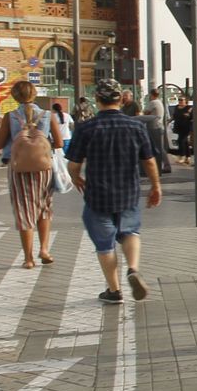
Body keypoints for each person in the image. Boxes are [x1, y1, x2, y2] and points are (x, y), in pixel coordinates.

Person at [66, 78, 160, 304]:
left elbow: (74, 163)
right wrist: (156, 186)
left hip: (97, 195)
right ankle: (133, 269)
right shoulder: (136, 126)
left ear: (97, 100)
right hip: (128, 192)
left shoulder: (86, 127)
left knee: (104, 244)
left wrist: (75, 177)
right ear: (120, 99)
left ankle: (114, 290)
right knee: (130, 232)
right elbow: (149, 161)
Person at [0, 79, 63, 269]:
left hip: (18, 170)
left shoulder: (11, 116)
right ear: (34, 94)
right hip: (44, 169)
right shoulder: (48, 115)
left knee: (25, 211)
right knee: (44, 208)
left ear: (15, 96)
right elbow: (59, 142)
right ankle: (45, 249)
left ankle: (28, 258)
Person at [144, 89, 171, 173]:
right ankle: (163, 165)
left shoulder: (153, 102)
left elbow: (146, 112)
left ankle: (165, 166)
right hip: (159, 126)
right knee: (160, 147)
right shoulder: (159, 102)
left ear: (151, 95)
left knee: (158, 147)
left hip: (154, 127)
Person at [171, 96, 194, 164]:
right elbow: (174, 116)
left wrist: (188, 115)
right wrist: (168, 121)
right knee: (185, 142)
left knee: (181, 141)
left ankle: (182, 156)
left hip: (186, 127)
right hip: (178, 126)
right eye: (179, 100)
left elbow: (191, 117)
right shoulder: (176, 107)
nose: (180, 101)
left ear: (185, 101)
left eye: (182, 100)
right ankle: (188, 157)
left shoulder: (189, 108)